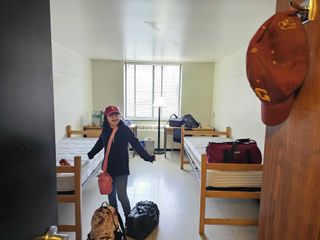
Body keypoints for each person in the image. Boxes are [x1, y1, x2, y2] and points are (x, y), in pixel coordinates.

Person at [87, 105, 155, 220]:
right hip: (108, 169)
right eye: (111, 115)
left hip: (121, 169)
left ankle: (129, 220)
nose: (114, 117)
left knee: (122, 196)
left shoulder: (125, 130)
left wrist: (147, 157)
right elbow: (100, 143)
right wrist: (91, 153)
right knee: (111, 196)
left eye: (116, 114)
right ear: (106, 118)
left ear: (120, 116)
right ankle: (114, 220)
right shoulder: (105, 130)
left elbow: (136, 144)